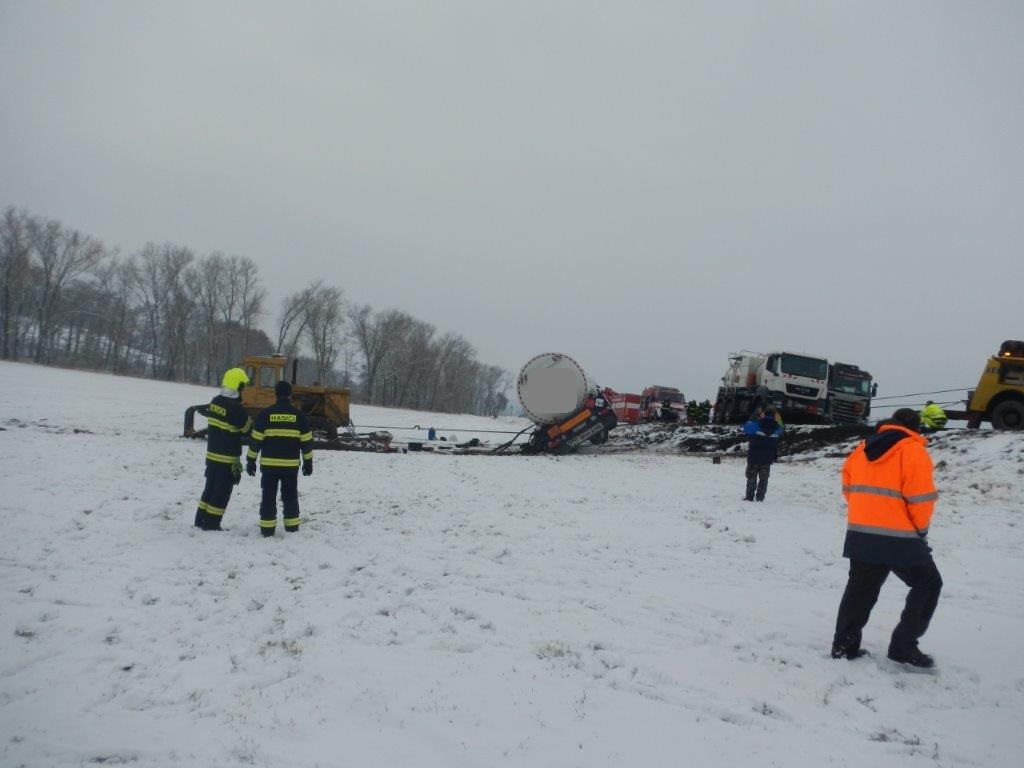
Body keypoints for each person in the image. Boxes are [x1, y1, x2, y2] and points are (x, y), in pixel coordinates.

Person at [831, 408, 942, 668]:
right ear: (915, 428)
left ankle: (844, 646)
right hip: (900, 536)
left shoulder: (861, 448)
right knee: (928, 584)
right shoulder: (912, 450)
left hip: (861, 531)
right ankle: (903, 646)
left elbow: (848, 488)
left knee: (861, 588)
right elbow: (921, 499)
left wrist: (868, 512)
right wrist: (920, 533)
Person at [245, 380, 314, 536]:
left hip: (269, 466)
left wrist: (251, 461)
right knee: (290, 496)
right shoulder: (299, 416)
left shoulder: (265, 414)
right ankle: (292, 527)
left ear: (275, 394)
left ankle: (267, 529)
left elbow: (256, 440)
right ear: (290, 395)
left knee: (268, 496)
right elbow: (306, 442)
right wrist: (308, 462)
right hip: (290, 467)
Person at [194, 368, 253, 531]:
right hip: (227, 458)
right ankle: (212, 524)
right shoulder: (236, 408)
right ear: (238, 386)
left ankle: (200, 520)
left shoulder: (215, 401)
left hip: (212, 456)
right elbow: (248, 429)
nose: (244, 389)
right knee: (221, 493)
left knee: (209, 489)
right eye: (243, 386)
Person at [742, 406, 783, 501]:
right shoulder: (777, 428)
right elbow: (781, 433)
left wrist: (754, 415)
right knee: (764, 479)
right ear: (774, 415)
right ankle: (760, 498)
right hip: (768, 457)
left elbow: (745, 428)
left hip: (754, 456)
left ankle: (749, 497)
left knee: (752, 477)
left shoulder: (756, 424)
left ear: (763, 413)